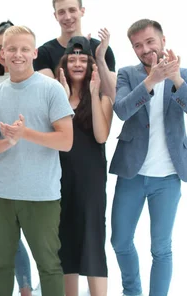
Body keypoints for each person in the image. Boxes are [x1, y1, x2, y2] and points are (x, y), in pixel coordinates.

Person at [0, 25, 74, 296]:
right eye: (11, 49)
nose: (17, 55)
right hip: (0, 194)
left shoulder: (50, 89)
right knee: (0, 265)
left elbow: (66, 141)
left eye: (23, 49)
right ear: (2, 54)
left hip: (41, 194)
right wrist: (8, 141)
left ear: (33, 52)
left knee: (49, 264)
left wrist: (24, 133)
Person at [110, 19, 187, 296]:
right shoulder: (127, 74)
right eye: (137, 45)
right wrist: (150, 81)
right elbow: (121, 109)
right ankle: (132, 291)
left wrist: (175, 78)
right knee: (119, 240)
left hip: (167, 178)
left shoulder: (184, 74)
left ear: (163, 40)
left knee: (161, 247)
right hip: (132, 173)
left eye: (149, 41)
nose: (145, 49)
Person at [56, 36, 113, 296]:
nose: (77, 63)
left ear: (90, 63)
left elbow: (102, 136)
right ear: (64, 64)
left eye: (82, 58)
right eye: (72, 59)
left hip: (90, 180)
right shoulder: (56, 97)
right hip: (59, 178)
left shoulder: (102, 97)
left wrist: (92, 91)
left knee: (92, 238)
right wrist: (64, 97)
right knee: (64, 240)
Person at [0, 20, 34, 296]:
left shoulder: (32, 82)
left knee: (20, 235)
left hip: (27, 171)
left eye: (11, 47)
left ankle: (25, 286)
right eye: (0, 48)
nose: (6, 53)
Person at [34, 0, 116, 98]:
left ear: (82, 11)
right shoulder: (44, 53)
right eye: (61, 12)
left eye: (72, 10)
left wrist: (100, 58)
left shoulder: (102, 49)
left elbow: (112, 96)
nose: (67, 17)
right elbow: (49, 95)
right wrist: (72, 51)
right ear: (55, 15)